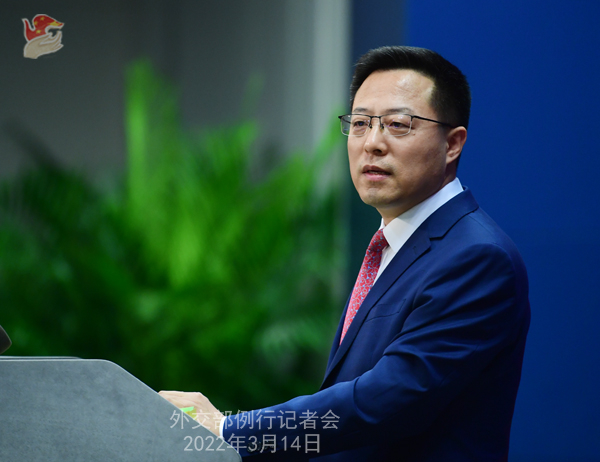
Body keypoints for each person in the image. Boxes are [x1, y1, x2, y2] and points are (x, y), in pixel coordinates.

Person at [160, 45, 530, 461]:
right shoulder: (394, 244)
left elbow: (387, 399)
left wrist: (228, 429)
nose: (372, 143)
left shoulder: (477, 258)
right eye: (359, 124)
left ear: (452, 144)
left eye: (398, 125)